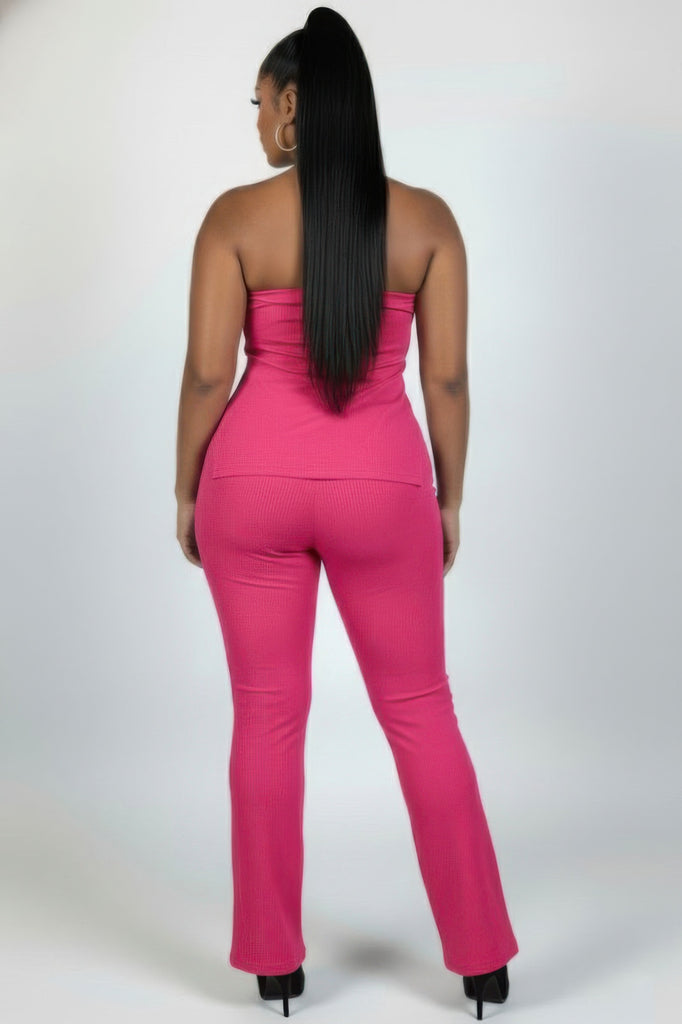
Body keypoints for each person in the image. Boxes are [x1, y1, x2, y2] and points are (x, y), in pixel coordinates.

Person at [175, 6, 519, 1019]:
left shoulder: (234, 219)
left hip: (251, 482)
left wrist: (187, 486)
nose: (256, 120)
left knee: (266, 715)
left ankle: (274, 964)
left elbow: (207, 374)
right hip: (383, 485)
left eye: (258, 102)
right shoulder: (428, 221)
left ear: (291, 104)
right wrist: (447, 496)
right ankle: (482, 962)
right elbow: (445, 380)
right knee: (420, 710)